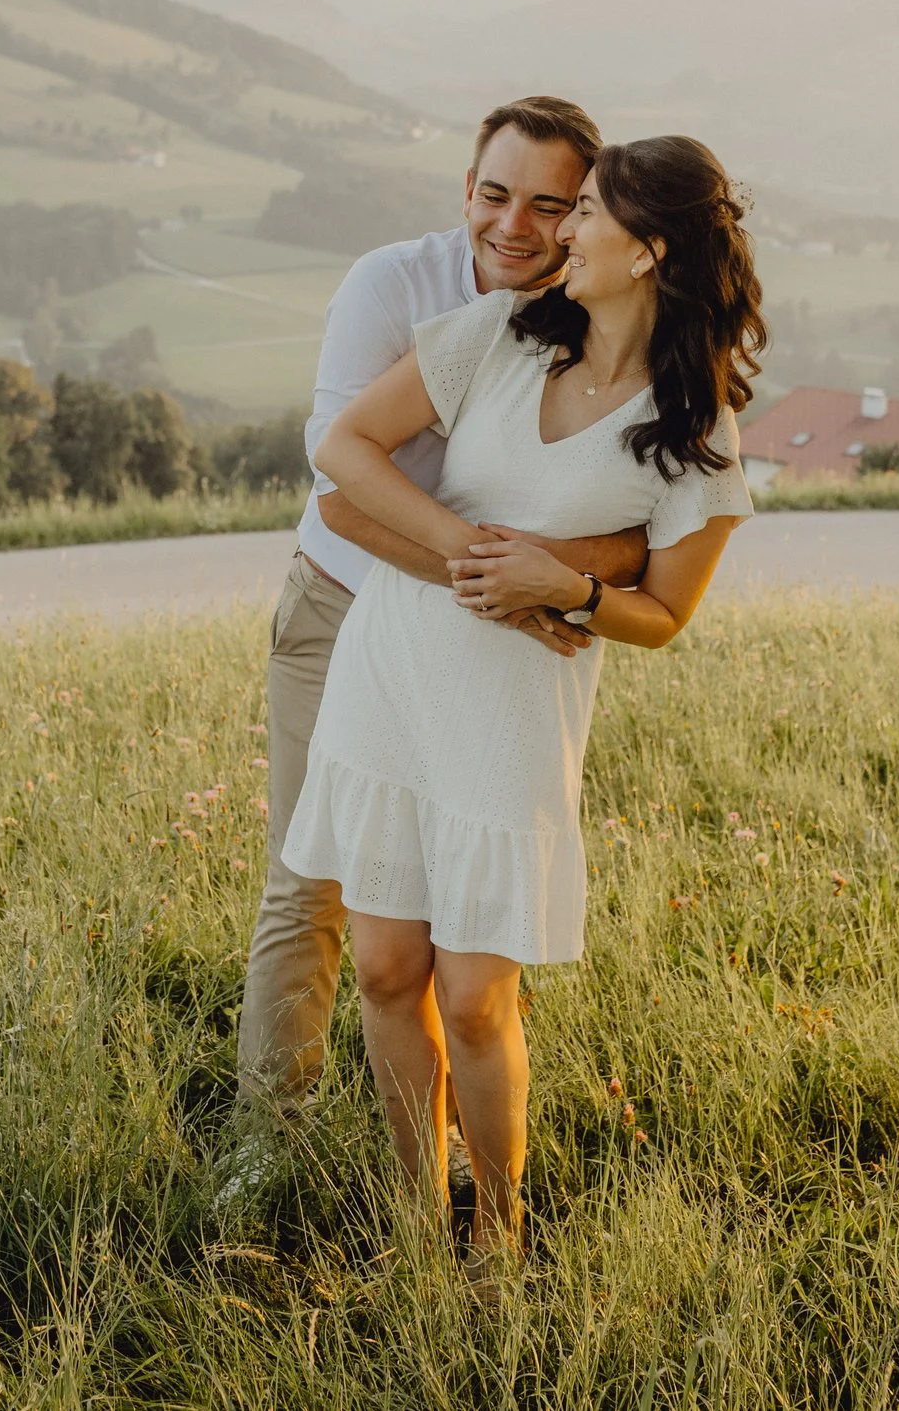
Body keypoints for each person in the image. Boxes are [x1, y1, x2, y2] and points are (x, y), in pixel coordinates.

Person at [281, 135, 764, 1255]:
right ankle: (415, 1212)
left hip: (508, 716)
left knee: (473, 998)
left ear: (646, 251)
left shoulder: (696, 431)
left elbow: (665, 613)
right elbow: (342, 444)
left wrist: (571, 585)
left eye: (584, 212)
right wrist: (474, 555)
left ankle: (496, 1234)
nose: (556, 230)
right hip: (393, 668)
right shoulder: (498, 334)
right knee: (386, 967)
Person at [229, 98, 653, 1174]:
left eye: (551, 204)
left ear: (584, 219)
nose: (514, 223)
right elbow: (339, 483)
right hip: (347, 607)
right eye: (494, 193)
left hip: (487, 650)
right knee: (313, 879)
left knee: (461, 907)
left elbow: (630, 534)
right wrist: (489, 574)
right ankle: (267, 1147)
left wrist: (547, 582)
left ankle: (454, 1144)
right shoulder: (394, 286)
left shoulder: (585, 317)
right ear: (465, 191)